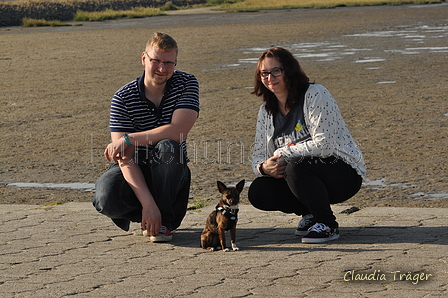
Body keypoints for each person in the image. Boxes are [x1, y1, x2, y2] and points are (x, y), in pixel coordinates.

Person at [249, 47, 366, 244]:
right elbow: (258, 155)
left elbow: (325, 145)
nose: (270, 77)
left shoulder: (315, 94)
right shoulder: (266, 111)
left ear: (289, 70)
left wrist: (284, 152)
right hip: (298, 175)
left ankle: (327, 224)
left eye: (276, 70)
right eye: (264, 73)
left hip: (343, 173)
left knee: (296, 165)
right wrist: (264, 167)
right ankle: (310, 214)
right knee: (259, 191)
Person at [92, 32, 200, 242]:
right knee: (104, 197)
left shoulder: (187, 83)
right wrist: (148, 204)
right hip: (133, 169)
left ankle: (164, 223)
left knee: (169, 146)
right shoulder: (123, 97)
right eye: (156, 61)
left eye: (168, 63)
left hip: (171, 172)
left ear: (175, 62)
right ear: (144, 58)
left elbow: (178, 131)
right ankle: (149, 214)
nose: (162, 68)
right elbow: (125, 158)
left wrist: (128, 139)